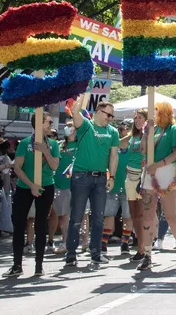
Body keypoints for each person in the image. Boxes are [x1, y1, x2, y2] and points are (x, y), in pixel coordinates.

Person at [4, 113, 60, 277]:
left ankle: (39, 266)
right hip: (24, 187)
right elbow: (18, 167)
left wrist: (45, 151)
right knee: (19, 224)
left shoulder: (54, 144)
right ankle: (17, 265)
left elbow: (55, 166)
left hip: (46, 187)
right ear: (39, 124)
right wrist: (31, 185)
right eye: (49, 121)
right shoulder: (26, 143)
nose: (51, 124)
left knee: (41, 225)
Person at [65, 100, 119, 268]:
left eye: (112, 115)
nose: (110, 118)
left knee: (98, 219)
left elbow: (113, 156)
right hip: (81, 177)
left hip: (101, 178)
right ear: (98, 111)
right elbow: (74, 111)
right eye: (107, 114)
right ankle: (71, 254)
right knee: (76, 217)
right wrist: (84, 89)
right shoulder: (86, 125)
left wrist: (112, 177)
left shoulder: (113, 132)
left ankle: (96, 253)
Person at [136, 101, 176, 271]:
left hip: (167, 173)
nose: (154, 114)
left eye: (156, 111)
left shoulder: (174, 128)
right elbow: (142, 151)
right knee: (148, 216)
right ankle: (147, 254)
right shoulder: (153, 129)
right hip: (150, 174)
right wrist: (145, 133)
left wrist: (159, 164)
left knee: (170, 215)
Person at [101, 119, 131, 260]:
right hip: (113, 186)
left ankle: (125, 243)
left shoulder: (134, 146)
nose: (120, 132)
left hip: (129, 186)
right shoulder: (113, 146)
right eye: (119, 129)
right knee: (109, 214)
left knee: (127, 216)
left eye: (123, 129)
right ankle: (104, 242)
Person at [122, 111, 146, 261]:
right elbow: (116, 142)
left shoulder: (150, 135)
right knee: (134, 214)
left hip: (144, 178)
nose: (137, 120)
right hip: (130, 177)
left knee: (144, 214)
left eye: (140, 118)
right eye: (135, 118)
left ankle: (144, 248)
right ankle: (140, 247)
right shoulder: (132, 136)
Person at [50, 126, 75, 254]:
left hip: (76, 185)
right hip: (60, 185)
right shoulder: (59, 145)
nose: (69, 129)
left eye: (72, 128)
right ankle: (66, 242)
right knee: (63, 216)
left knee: (75, 216)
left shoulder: (81, 145)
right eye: (67, 127)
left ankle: (77, 242)